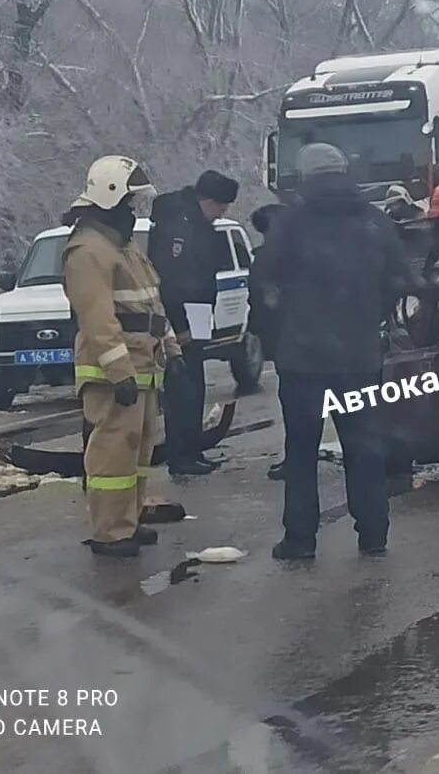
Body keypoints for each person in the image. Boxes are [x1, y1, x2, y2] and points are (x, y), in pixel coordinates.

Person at [257, 143, 413, 560]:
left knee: (301, 451)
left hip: (302, 359)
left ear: (305, 177)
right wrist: (369, 317)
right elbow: (402, 278)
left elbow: (264, 282)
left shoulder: (291, 224)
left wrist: (284, 334)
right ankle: (374, 533)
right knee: (364, 445)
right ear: (345, 170)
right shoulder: (373, 222)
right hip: (358, 357)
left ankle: (300, 539)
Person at [62, 155, 185, 558]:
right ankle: (109, 532)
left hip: (143, 365)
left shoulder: (123, 246)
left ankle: (127, 522)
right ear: (109, 198)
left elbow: (150, 305)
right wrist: (118, 372)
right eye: (129, 204)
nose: (133, 213)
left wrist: (172, 349)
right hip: (115, 372)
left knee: (137, 451)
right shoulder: (88, 251)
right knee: (112, 453)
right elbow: (98, 319)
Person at [148, 170, 240, 475]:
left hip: (197, 313)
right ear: (208, 201)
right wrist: (179, 326)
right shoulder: (179, 226)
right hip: (182, 317)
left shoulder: (197, 225)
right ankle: (181, 455)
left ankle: (191, 449)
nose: (220, 216)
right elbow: (172, 281)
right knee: (182, 388)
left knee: (195, 386)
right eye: (221, 209)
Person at [247, 203, 290, 481]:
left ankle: (296, 459)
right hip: (305, 340)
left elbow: (261, 301)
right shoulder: (300, 255)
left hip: (288, 342)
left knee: (296, 404)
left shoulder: (268, 260)